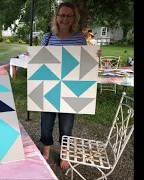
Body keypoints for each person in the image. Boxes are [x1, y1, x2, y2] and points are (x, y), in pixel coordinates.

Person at [27, 2, 101, 169]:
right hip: (49, 87)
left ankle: (65, 154)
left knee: (66, 126)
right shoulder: (48, 37)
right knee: (46, 123)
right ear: (56, 17)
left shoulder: (79, 38)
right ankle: (46, 151)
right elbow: (40, 61)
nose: (65, 18)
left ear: (74, 18)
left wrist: (94, 56)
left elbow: (85, 62)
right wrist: (31, 56)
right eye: (62, 15)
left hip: (71, 87)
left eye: (69, 15)